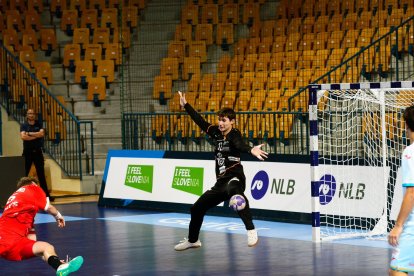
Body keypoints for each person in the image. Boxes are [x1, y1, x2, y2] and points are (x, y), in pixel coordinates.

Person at [174, 91, 268, 251]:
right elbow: (200, 122)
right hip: (220, 183)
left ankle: (251, 230)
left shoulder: (234, 134)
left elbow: (239, 145)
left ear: (232, 122)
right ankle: (193, 240)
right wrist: (186, 106)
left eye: (224, 120)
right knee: (196, 208)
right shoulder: (217, 133)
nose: (221, 123)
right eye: (219, 120)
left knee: (236, 194)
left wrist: (251, 150)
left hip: (235, 178)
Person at [0, 176, 84, 275]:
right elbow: (49, 207)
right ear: (33, 184)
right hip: (9, 240)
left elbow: (32, 243)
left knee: (45, 248)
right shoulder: (32, 188)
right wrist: (58, 216)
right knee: (46, 247)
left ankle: (60, 267)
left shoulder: (17, 204)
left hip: (7, 245)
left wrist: (53, 260)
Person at [388, 105, 414, 275]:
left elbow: (412, 193)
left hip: (413, 227)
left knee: (396, 270)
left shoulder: (410, 152)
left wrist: (398, 226)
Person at [20, 108, 53, 201]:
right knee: (24, 174)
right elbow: (23, 137)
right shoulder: (23, 125)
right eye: (29, 113)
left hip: (38, 152)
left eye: (33, 113)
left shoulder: (39, 124)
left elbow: (41, 134)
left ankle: (46, 196)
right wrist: (35, 135)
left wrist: (29, 134)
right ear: (27, 115)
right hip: (27, 152)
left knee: (41, 174)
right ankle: (20, 196)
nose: (31, 115)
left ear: (35, 115)